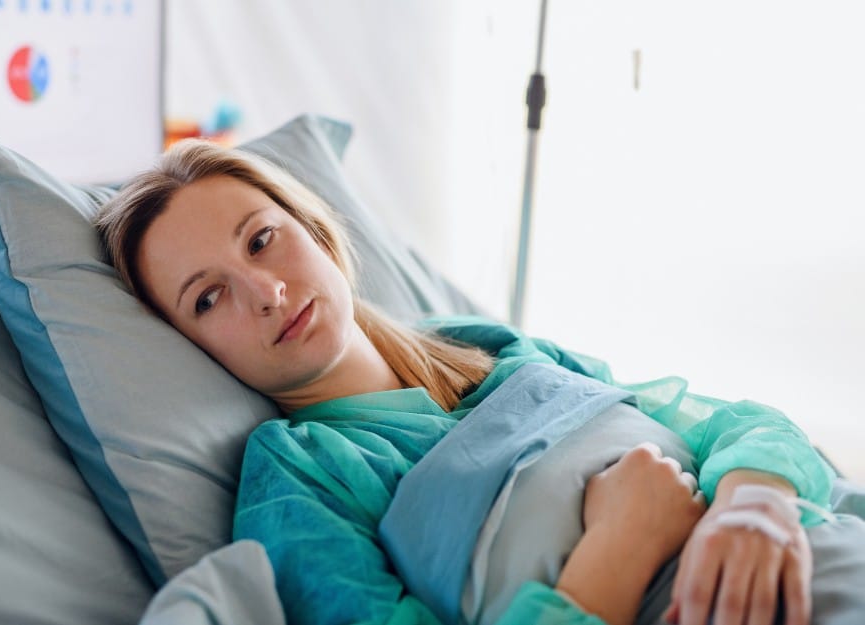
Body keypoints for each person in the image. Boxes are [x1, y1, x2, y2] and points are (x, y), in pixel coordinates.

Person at [94, 139, 843, 625]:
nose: (264, 291)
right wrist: (622, 542)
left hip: (822, 555)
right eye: (207, 297)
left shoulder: (488, 348)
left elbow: (725, 425)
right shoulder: (299, 479)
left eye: (263, 238)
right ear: (190, 347)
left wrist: (756, 504)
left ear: (316, 228)